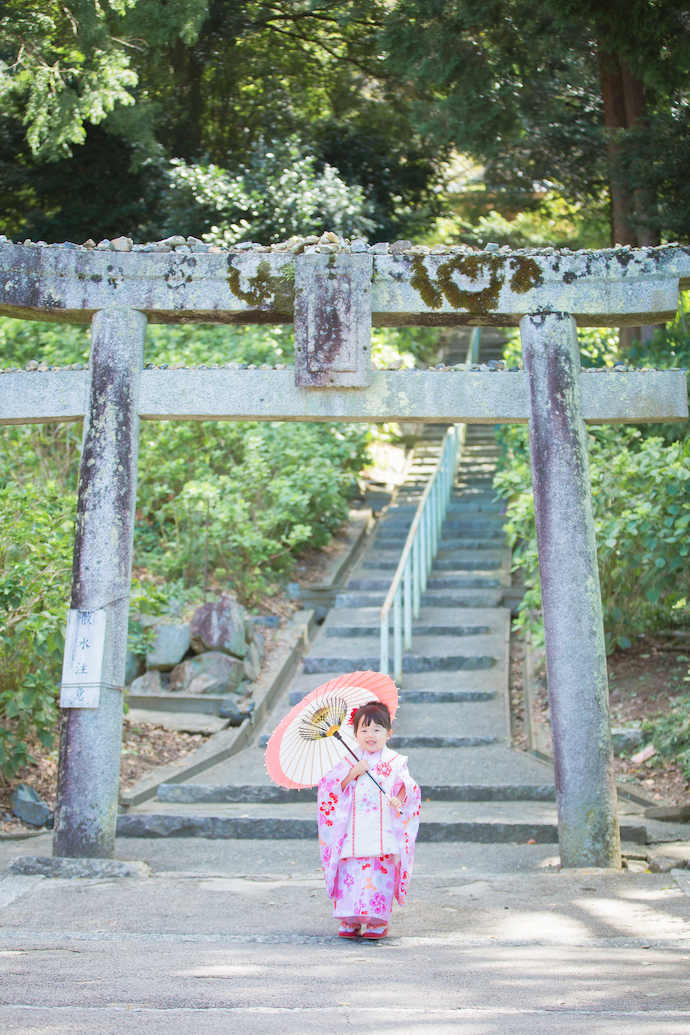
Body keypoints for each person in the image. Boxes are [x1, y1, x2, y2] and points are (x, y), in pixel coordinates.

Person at [317, 700, 421, 939]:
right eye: (363, 730)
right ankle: (349, 918)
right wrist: (353, 772)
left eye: (377, 729)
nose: (370, 735)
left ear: (388, 733)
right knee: (351, 872)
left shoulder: (395, 761)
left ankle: (377, 921)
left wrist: (399, 799)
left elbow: (408, 787)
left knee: (378, 872)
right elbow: (329, 790)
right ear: (355, 734)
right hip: (352, 830)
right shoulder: (348, 761)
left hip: (382, 829)